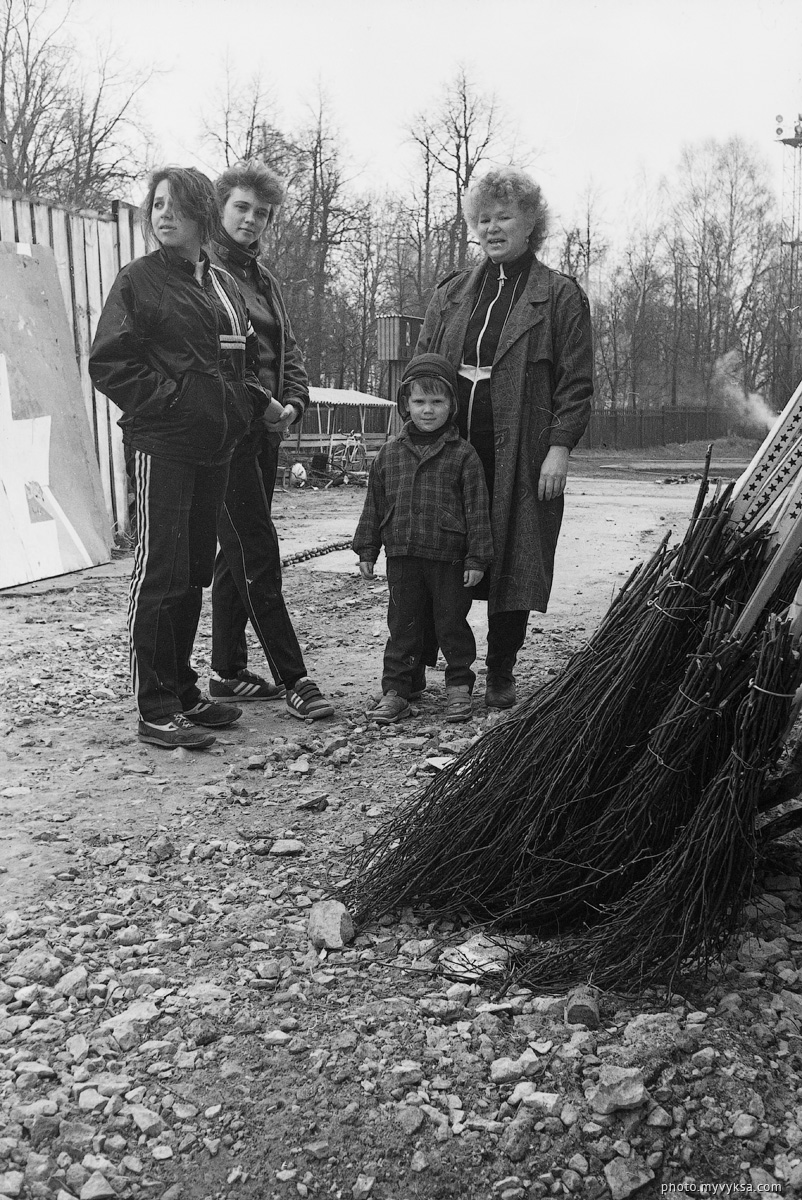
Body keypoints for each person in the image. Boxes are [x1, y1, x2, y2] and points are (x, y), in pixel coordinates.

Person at [89, 167, 268, 749]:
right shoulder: (137, 281)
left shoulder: (218, 282)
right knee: (159, 569)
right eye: (157, 204)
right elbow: (109, 363)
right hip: (162, 445)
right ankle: (154, 704)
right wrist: (174, 404)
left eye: (177, 205)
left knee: (192, 570)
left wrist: (240, 410)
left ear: (201, 214)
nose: (163, 214)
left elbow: (236, 358)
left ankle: (183, 687)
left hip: (214, 448)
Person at [415, 166, 593, 709]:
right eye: (484, 218)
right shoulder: (451, 294)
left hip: (521, 452)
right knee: (440, 550)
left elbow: (577, 382)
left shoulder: (559, 296)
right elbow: (420, 368)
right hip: (450, 449)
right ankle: (429, 667)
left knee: (514, 553)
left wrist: (558, 448)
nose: (493, 228)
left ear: (530, 223)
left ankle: (500, 672)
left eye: (505, 217)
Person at [208, 160, 333, 721]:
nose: (252, 220)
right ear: (220, 207)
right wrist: (266, 404)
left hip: (265, 437)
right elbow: (223, 360)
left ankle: (227, 672)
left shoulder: (267, 280)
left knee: (234, 555)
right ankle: (295, 677)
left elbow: (290, 357)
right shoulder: (202, 273)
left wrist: (295, 405)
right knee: (257, 551)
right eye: (242, 208)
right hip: (223, 439)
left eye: (262, 214)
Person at [353, 353, 493, 725]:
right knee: (402, 625)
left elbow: (478, 510)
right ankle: (397, 690)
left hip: (449, 559)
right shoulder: (388, 455)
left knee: (451, 624)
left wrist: (478, 558)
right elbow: (374, 506)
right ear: (405, 405)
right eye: (419, 401)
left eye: (437, 402)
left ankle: (459, 688)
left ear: (452, 406)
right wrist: (367, 548)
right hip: (402, 557)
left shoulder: (463, 455)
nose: (427, 410)